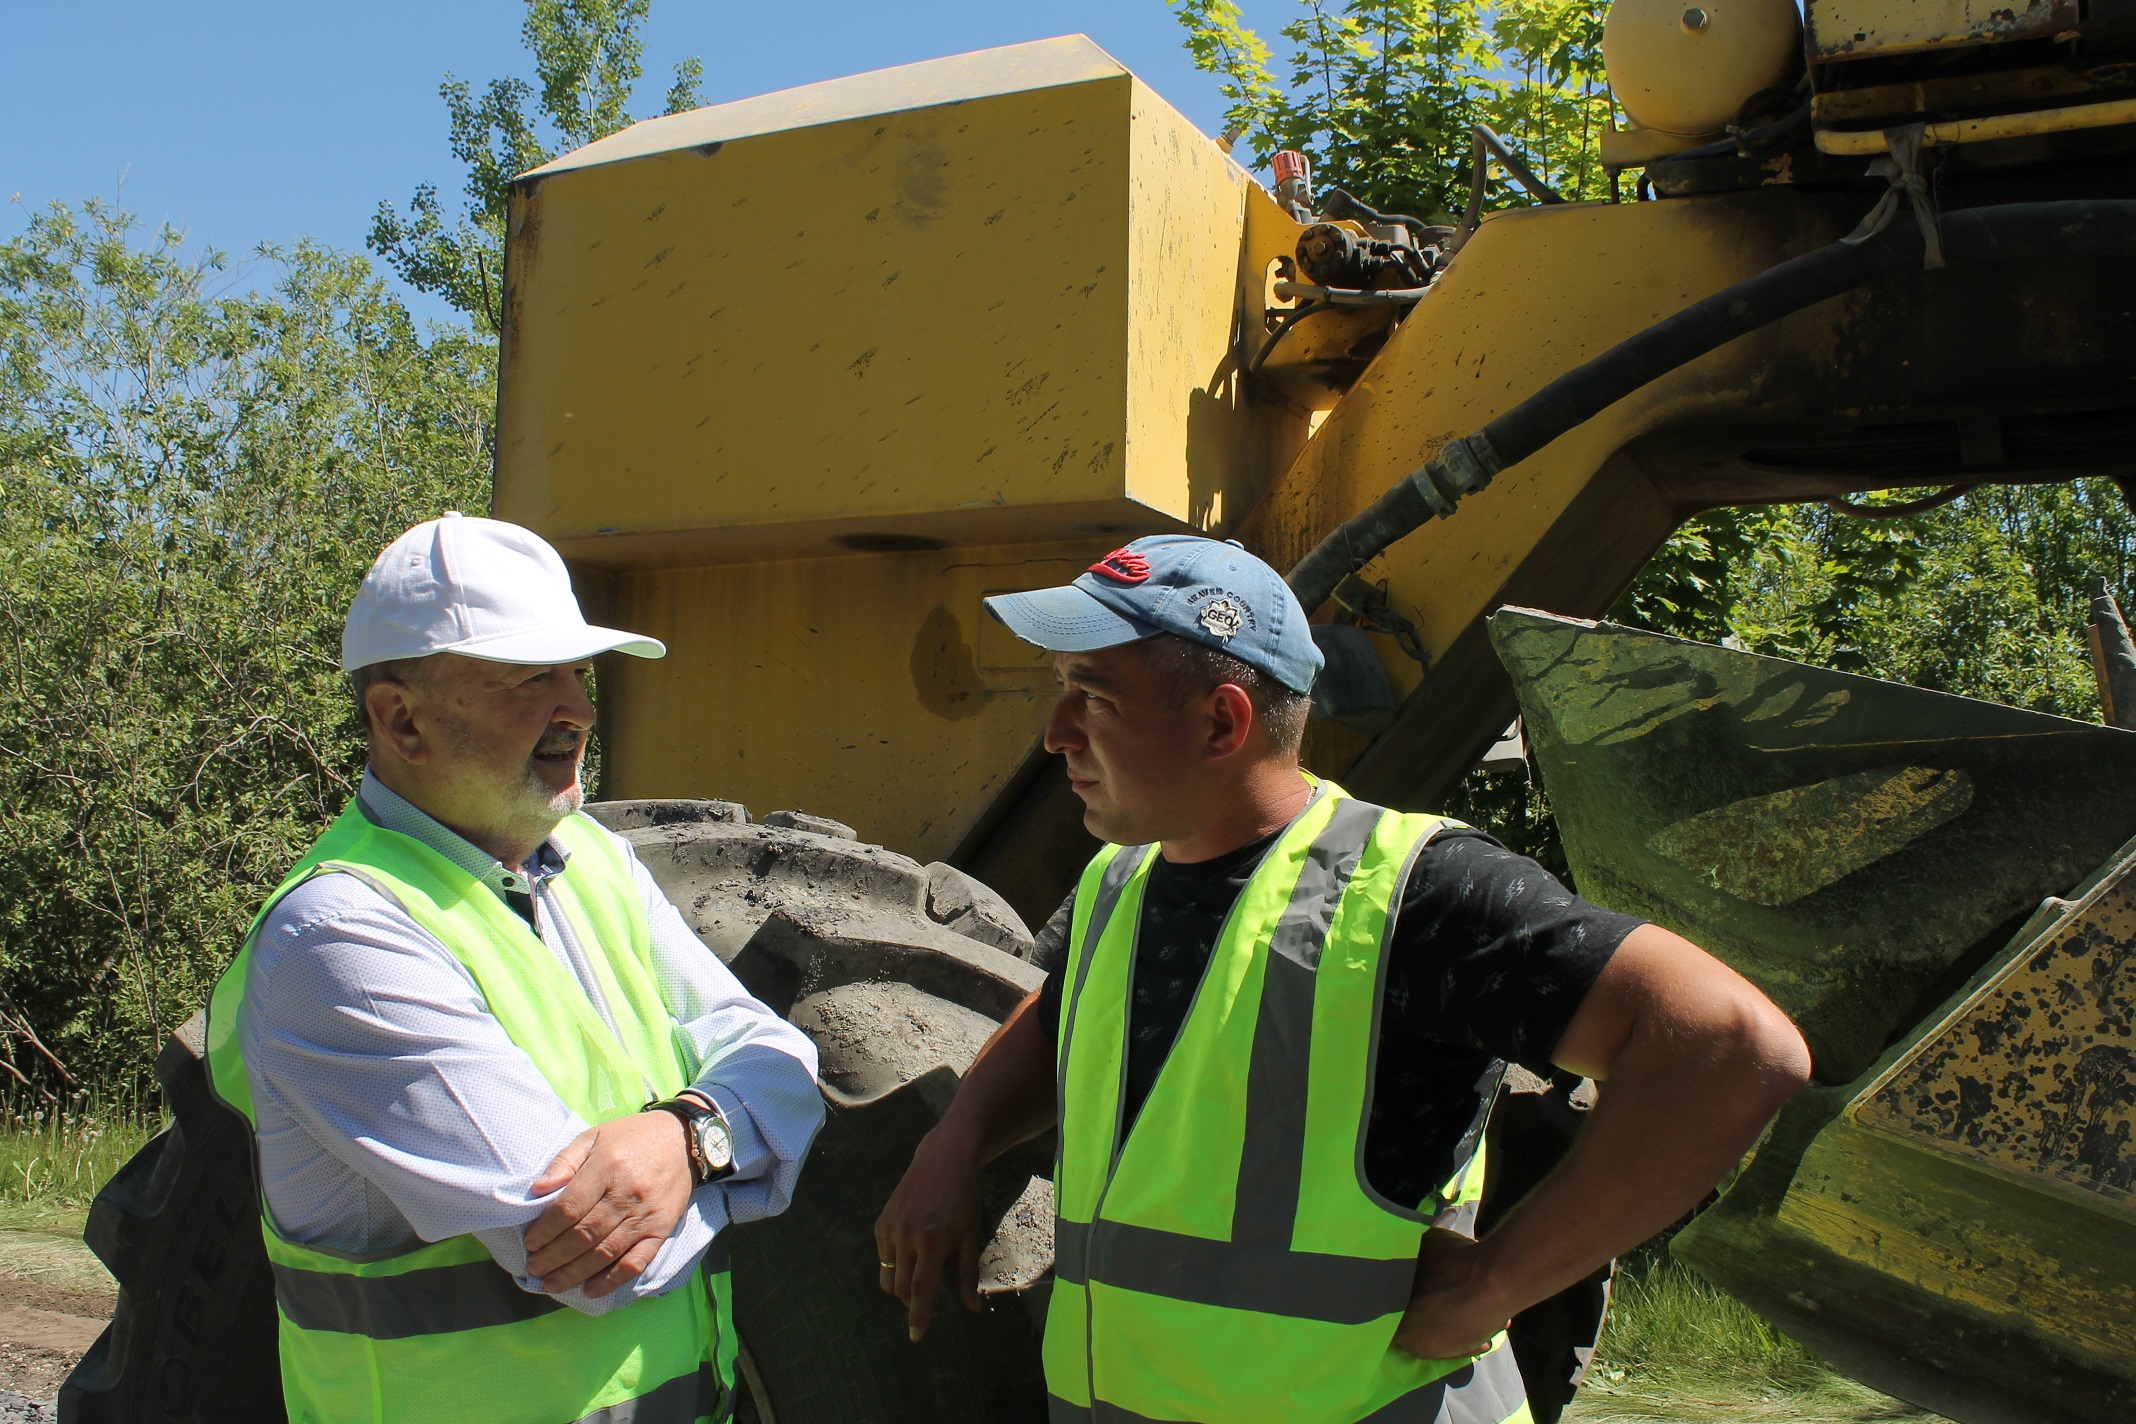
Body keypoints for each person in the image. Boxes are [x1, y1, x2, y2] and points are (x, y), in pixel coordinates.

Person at [874, 534, 1811, 1424]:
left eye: (1093, 696)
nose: (1054, 735)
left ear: (1222, 721)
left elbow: (1732, 1047)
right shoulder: (1122, 881)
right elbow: (1061, 1019)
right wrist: (956, 1140)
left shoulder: (1415, 891)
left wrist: (1499, 1283)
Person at [203, 513, 824, 1423]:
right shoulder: (337, 938)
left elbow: (775, 1055)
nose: (575, 706)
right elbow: (588, 1256)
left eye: (579, 673)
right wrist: (735, 1137)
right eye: (529, 677)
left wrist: (690, 1135)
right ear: (400, 719)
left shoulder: (593, 864)